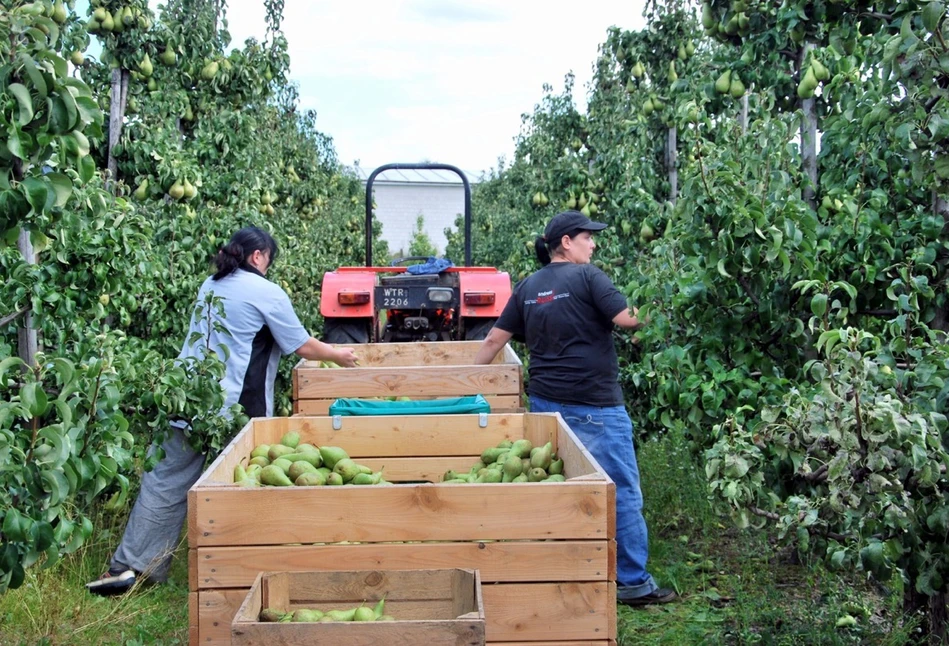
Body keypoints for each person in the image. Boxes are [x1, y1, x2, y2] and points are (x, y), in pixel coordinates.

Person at [86, 226, 359, 596]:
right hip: (234, 410)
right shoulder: (266, 292)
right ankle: (244, 569)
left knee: (164, 481)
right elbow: (302, 347)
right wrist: (339, 354)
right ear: (258, 256)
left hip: (186, 397)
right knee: (246, 482)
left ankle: (133, 567)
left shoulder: (210, 285)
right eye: (269, 261)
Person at [473, 210, 676, 607]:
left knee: (555, 488)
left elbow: (494, 340)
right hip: (595, 406)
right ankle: (633, 582)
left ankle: (559, 570)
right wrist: (669, 300)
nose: (593, 244)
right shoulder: (588, 277)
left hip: (546, 405)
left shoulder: (528, 286)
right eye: (588, 237)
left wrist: (460, 384)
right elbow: (628, 319)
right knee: (620, 491)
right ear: (566, 242)